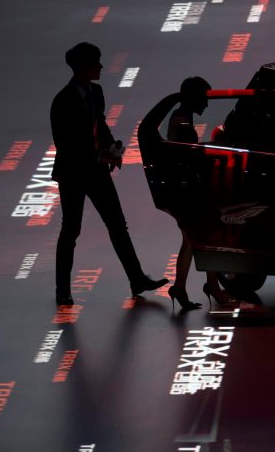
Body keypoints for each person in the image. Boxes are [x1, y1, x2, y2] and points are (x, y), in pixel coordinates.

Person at [50, 42, 168, 305]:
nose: (101, 67)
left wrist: (111, 148)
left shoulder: (96, 91)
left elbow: (99, 124)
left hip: (95, 171)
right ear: (82, 67)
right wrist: (98, 156)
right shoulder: (62, 101)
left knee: (117, 225)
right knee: (71, 229)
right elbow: (65, 145)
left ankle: (137, 279)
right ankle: (62, 290)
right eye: (96, 62)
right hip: (72, 174)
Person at [166, 77, 237, 311]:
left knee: (192, 241)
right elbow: (190, 159)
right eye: (204, 98)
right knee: (204, 239)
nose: (207, 104)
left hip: (183, 191)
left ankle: (184, 287)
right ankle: (211, 287)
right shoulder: (183, 124)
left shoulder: (181, 117)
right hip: (189, 192)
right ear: (194, 98)